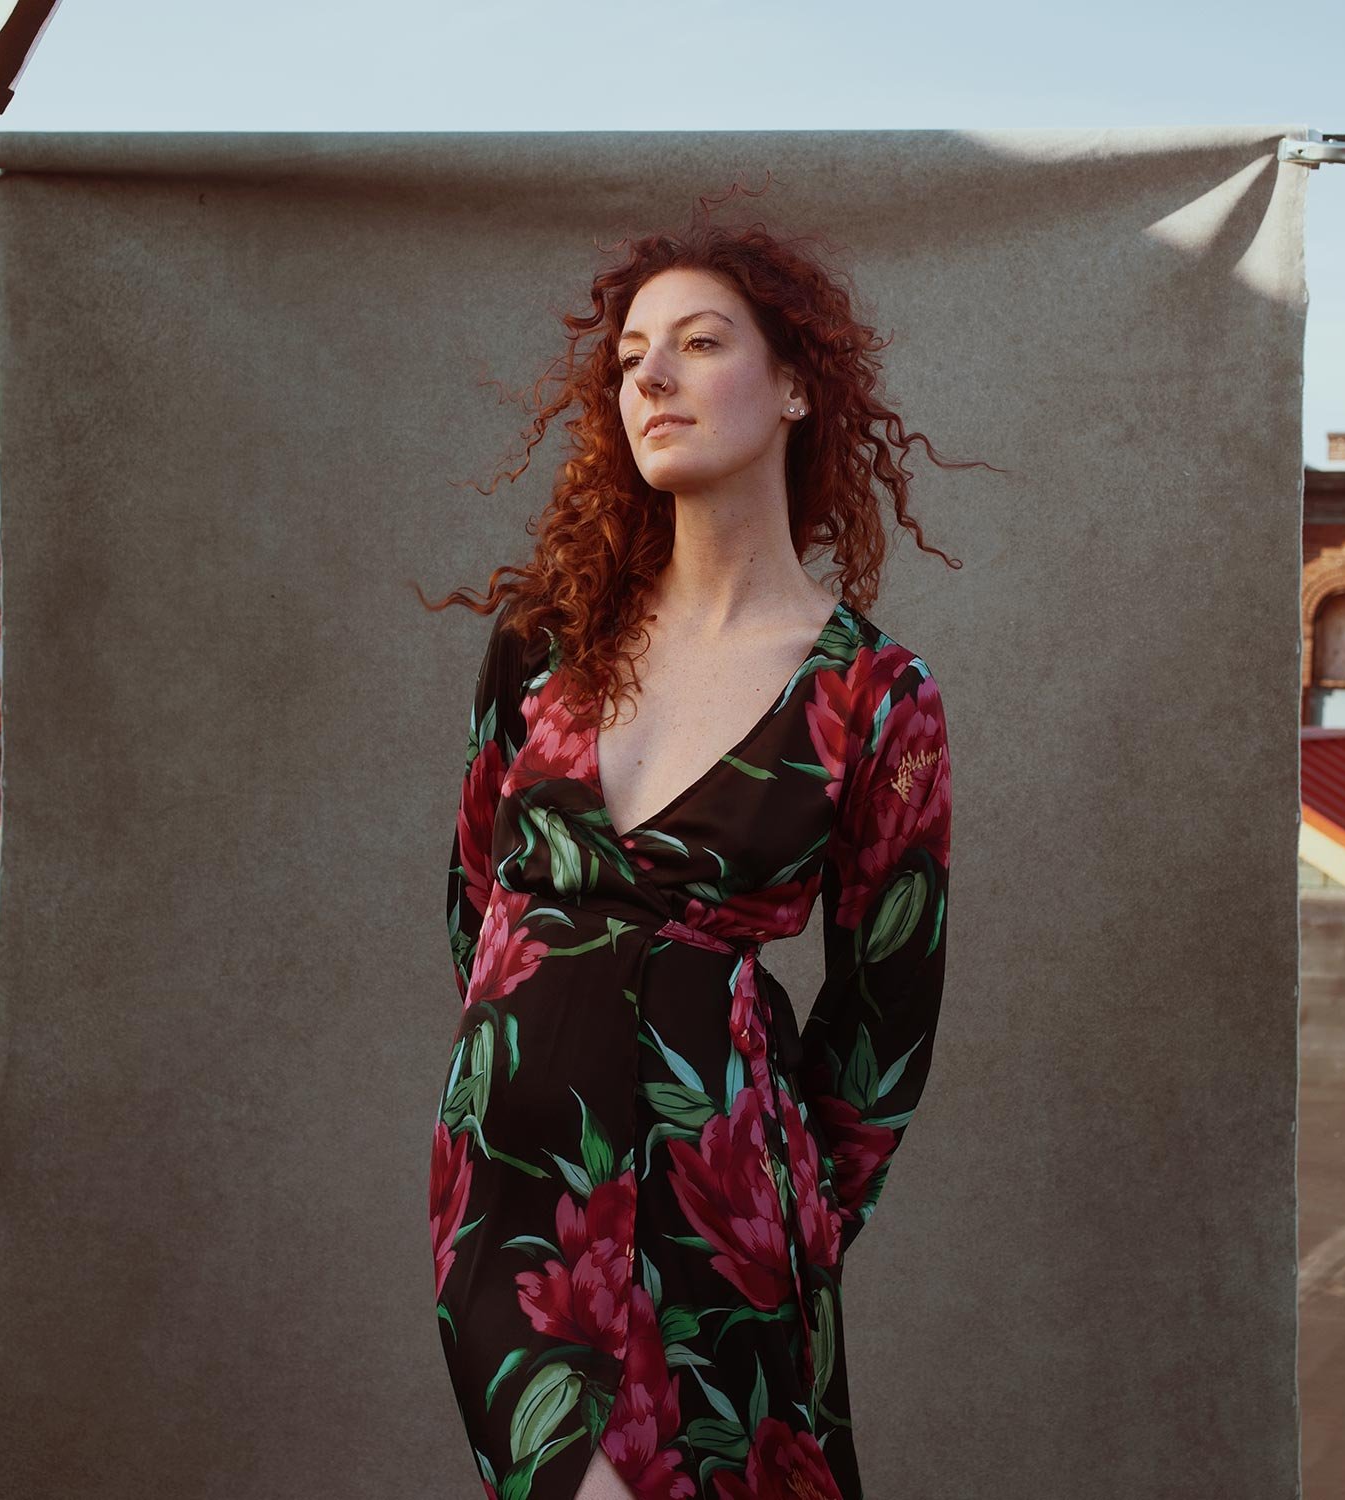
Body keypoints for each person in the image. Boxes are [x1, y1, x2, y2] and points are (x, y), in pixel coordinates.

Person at [423, 188, 991, 1500]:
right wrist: (512, 1064)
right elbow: (472, 903)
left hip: (726, 1206)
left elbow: (887, 1007)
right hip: (517, 1187)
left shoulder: (873, 695)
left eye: (698, 343)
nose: (652, 380)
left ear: (794, 386)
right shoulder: (539, 645)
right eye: (628, 359)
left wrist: (789, 1206)